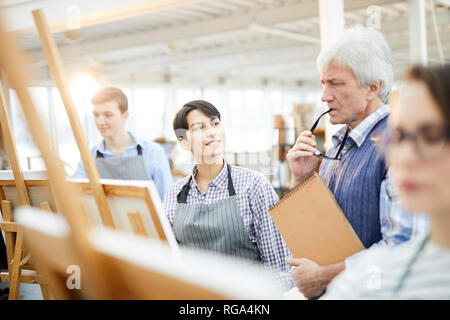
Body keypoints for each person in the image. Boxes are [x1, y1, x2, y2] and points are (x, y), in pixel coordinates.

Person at [285, 27, 429, 298]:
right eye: (323, 83)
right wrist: (302, 180)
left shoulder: (399, 148)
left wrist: (323, 276)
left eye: (336, 84)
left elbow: (402, 247)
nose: (324, 96)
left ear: (373, 87)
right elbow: (322, 228)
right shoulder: (337, 146)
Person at [322, 63, 450, 299]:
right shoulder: (369, 281)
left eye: (431, 136)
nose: (404, 158)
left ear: (372, 88)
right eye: (399, 136)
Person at [163, 100, 292, 288]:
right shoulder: (174, 193)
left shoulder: (254, 186)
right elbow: (169, 262)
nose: (212, 132)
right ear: (183, 141)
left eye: (215, 123)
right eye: (199, 127)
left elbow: (280, 271)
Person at [73, 86, 173, 200]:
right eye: (96, 115)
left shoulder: (153, 152)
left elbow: (168, 202)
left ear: (125, 116)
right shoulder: (89, 157)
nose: (100, 122)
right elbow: (77, 198)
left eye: (108, 115)